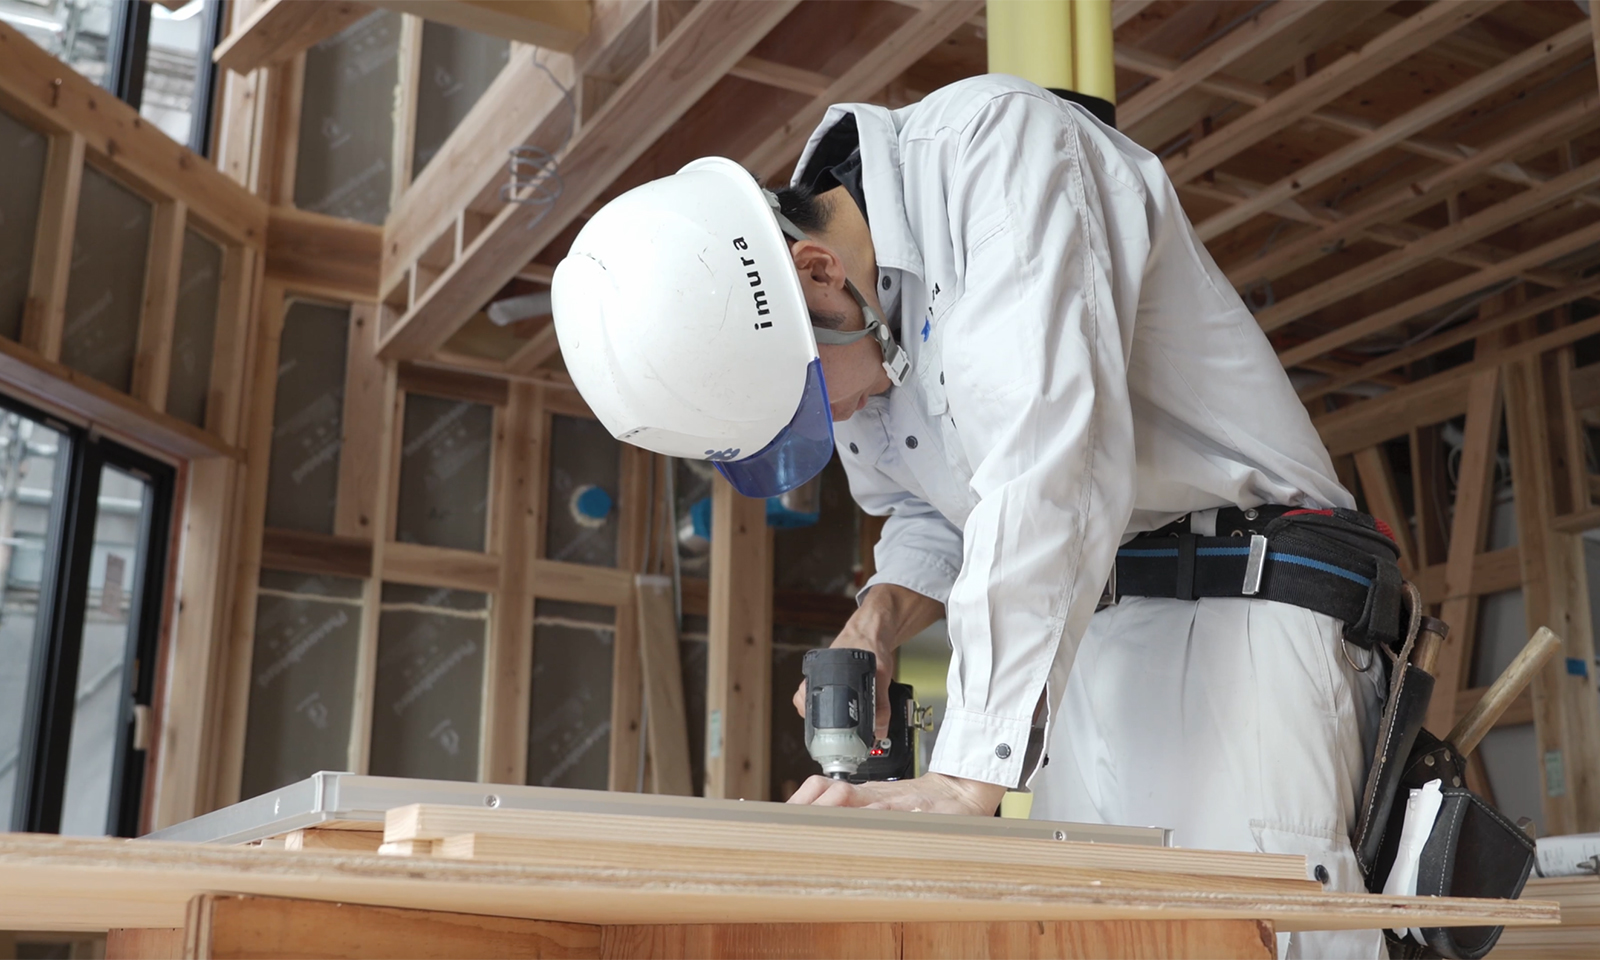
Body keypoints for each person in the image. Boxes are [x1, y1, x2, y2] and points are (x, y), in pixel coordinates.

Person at [551, 74, 1396, 958]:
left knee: (1265, 937)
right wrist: (876, 622)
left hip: (1244, 611)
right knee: (1097, 941)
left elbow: (1048, 470)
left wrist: (962, 778)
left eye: (808, 400)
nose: (831, 422)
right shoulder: (855, 328)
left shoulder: (995, 155)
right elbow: (938, 514)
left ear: (816, 272)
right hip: (1092, 637)